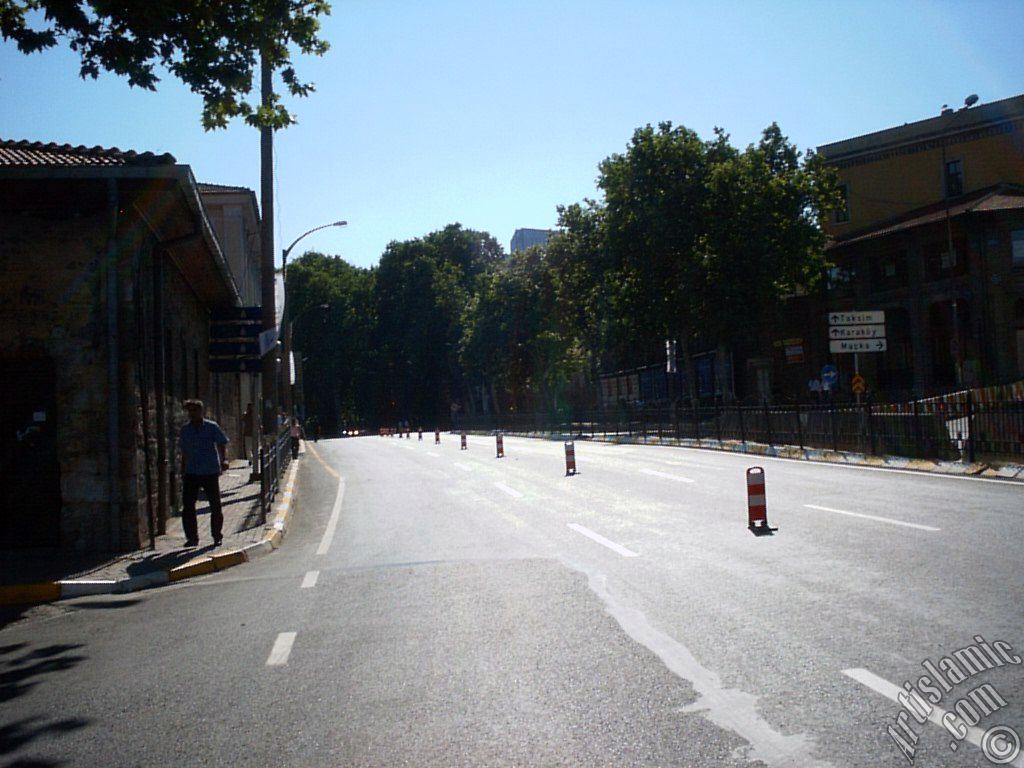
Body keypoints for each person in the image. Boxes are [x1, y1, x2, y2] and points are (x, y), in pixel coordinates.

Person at [179, 399, 229, 547]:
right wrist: (183, 468)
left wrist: (224, 460)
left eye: (195, 410)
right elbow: (184, 451)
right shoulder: (185, 430)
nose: (193, 414)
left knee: (215, 505)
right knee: (188, 506)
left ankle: (217, 535)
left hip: (209, 470)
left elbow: (221, 443)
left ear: (201, 411)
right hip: (192, 471)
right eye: (190, 411)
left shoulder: (211, 427)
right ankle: (192, 538)